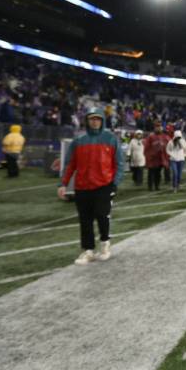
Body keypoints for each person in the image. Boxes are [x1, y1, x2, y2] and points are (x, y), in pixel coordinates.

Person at [58, 107, 124, 265]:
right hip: (82, 187)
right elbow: (70, 165)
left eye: (98, 119)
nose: (95, 121)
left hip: (104, 185)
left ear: (102, 120)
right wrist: (63, 184)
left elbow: (119, 163)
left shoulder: (111, 139)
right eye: (92, 118)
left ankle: (105, 243)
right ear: (87, 120)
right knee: (85, 220)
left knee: (102, 215)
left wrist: (115, 183)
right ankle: (88, 250)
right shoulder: (79, 141)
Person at [143, 120, 169, 191]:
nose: (159, 128)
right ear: (154, 128)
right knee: (151, 173)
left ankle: (157, 186)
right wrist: (148, 156)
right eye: (157, 126)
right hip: (152, 159)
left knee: (158, 173)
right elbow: (146, 148)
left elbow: (168, 146)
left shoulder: (164, 136)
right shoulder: (150, 137)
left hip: (160, 159)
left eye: (160, 126)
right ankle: (150, 187)